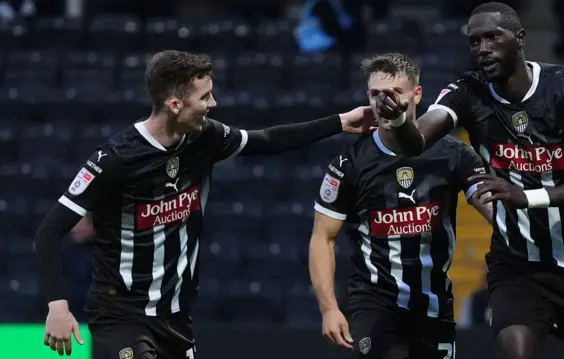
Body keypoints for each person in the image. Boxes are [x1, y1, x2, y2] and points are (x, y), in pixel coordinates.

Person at [34, 50, 376, 358]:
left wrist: (340, 123)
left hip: (176, 316)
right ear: (174, 104)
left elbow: (267, 140)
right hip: (121, 315)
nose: (212, 104)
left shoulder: (204, 137)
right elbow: (50, 230)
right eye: (205, 96)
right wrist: (58, 305)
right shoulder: (115, 158)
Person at [378, 3, 564, 359]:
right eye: (474, 42)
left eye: (493, 37)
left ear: (519, 39)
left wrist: (528, 197)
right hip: (516, 265)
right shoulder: (466, 91)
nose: (483, 48)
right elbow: (416, 142)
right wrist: (400, 123)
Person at [309, 53, 493, 359]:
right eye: (376, 94)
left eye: (395, 93)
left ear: (417, 95)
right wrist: (328, 309)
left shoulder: (453, 154)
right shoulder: (350, 163)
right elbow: (322, 237)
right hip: (375, 305)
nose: (384, 103)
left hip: (435, 307)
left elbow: (496, 214)